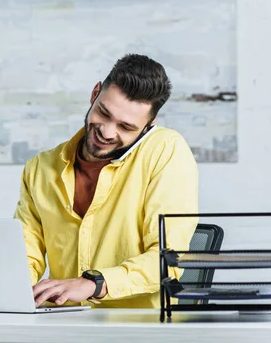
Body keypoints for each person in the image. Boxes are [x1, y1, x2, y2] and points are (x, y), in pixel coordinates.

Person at [13, 53, 198, 308]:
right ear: (95, 94)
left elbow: (169, 260)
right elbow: (24, 260)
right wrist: (4, 291)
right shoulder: (40, 169)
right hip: (61, 328)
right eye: (103, 113)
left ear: (149, 125)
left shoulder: (166, 151)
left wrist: (94, 283)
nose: (107, 132)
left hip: (139, 332)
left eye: (126, 127)